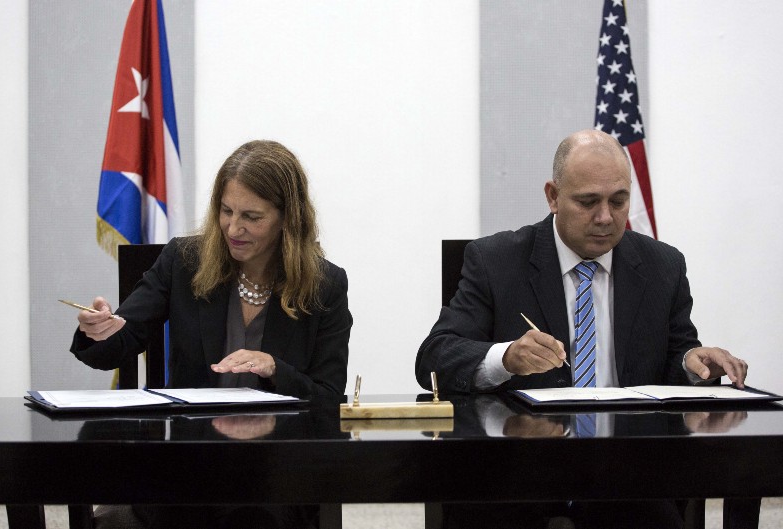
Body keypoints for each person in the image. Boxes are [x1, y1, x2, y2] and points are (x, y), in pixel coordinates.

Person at [415, 129, 749, 529]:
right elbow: (434, 358)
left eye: (618, 201)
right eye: (588, 201)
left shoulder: (663, 266)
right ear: (553, 196)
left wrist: (692, 361)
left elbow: (675, 358)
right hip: (517, 472)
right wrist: (504, 357)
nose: (606, 217)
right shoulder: (495, 261)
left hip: (628, 478)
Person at [71, 139, 352, 529]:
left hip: (275, 469)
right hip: (188, 463)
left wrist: (274, 368)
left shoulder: (325, 285)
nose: (233, 228)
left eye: (252, 217)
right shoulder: (183, 261)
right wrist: (98, 331)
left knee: (254, 516)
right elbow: (119, 342)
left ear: (288, 218)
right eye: (226, 211)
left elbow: (327, 402)